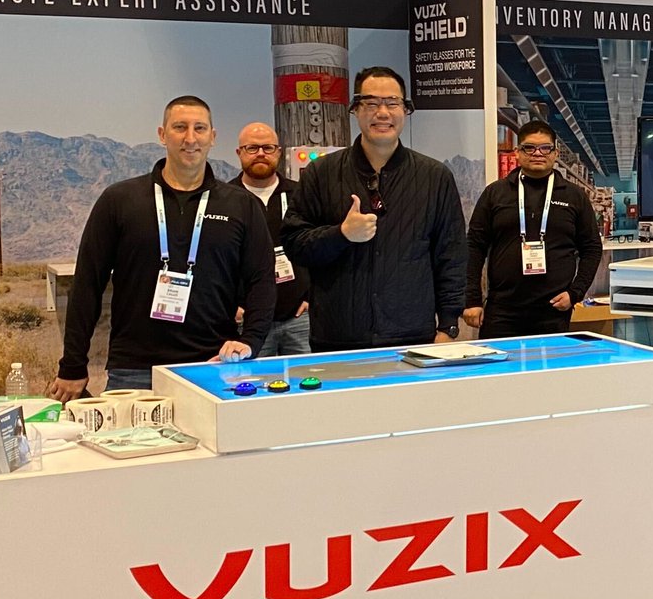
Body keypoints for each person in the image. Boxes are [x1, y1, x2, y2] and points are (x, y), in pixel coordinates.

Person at [52, 96, 274, 400]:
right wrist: (73, 364)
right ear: (162, 134)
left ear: (212, 137)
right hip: (134, 369)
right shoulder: (119, 200)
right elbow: (87, 284)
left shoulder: (241, 205)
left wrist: (250, 340)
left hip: (213, 367)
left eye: (199, 128)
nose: (190, 138)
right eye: (180, 127)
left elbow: (262, 280)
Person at [283, 67, 465, 350]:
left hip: (413, 336)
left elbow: (451, 254)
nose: (382, 112)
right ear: (355, 109)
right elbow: (294, 244)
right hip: (337, 336)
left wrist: (448, 325)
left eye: (392, 103)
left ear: (405, 110)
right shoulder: (322, 173)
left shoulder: (434, 177)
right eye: (371, 103)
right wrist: (341, 234)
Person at [461, 120, 602, 340]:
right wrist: (472, 299)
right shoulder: (495, 193)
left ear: (555, 154)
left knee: (550, 363)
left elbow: (592, 248)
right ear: (517, 152)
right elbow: (474, 247)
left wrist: (575, 293)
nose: (537, 153)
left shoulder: (574, 196)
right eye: (529, 147)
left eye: (545, 148)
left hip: (554, 309)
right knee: (498, 362)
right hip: (502, 310)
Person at [233, 120, 311, 356]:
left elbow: (319, 246)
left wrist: (312, 297)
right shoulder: (226, 199)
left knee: (307, 377)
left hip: (299, 318)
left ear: (278, 152)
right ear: (239, 153)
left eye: (268, 148)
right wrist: (229, 306)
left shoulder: (301, 194)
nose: (260, 154)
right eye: (252, 148)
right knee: (254, 378)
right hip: (247, 321)